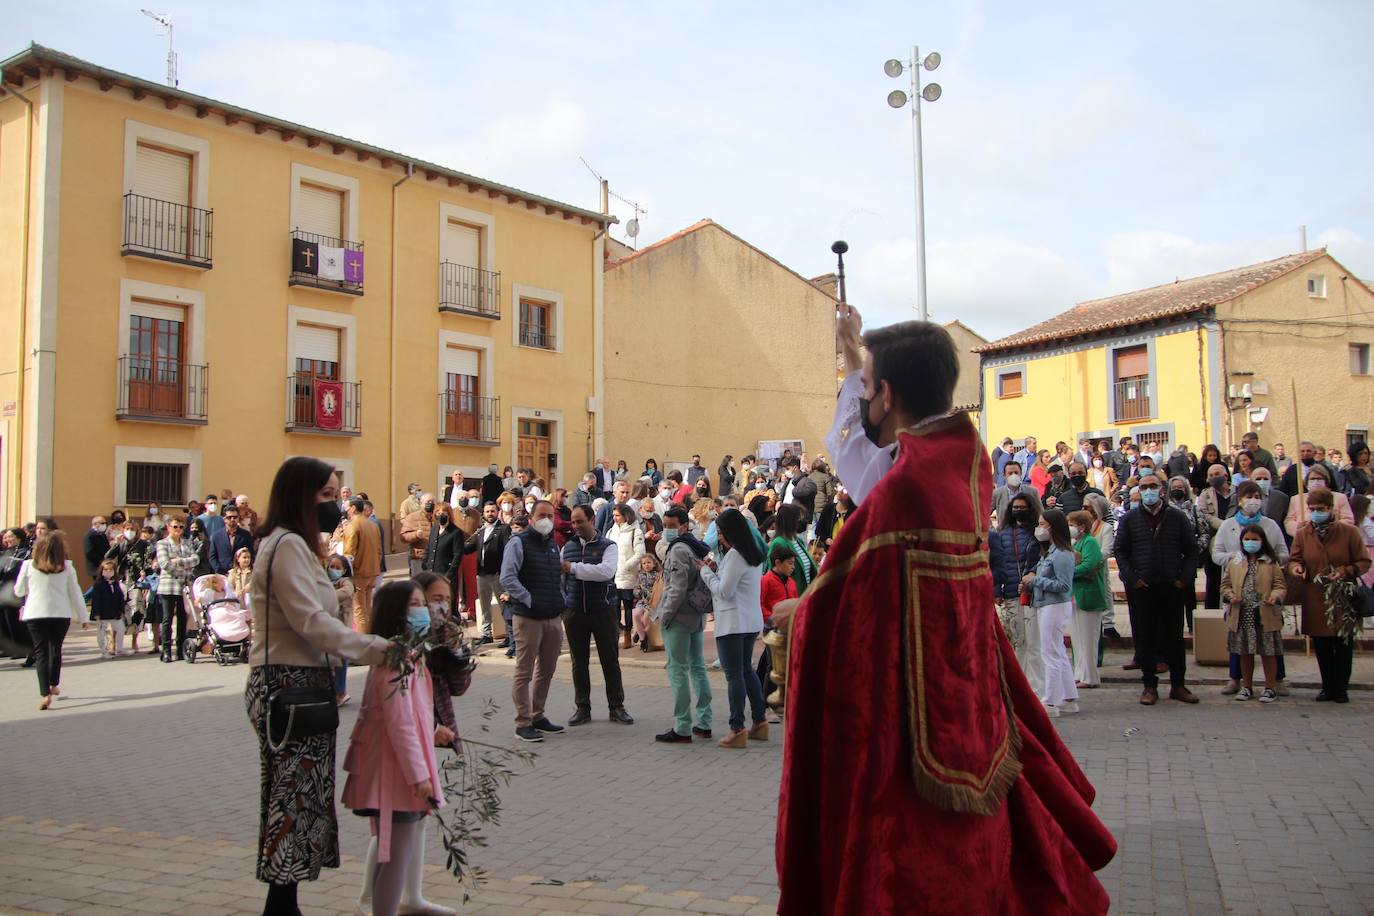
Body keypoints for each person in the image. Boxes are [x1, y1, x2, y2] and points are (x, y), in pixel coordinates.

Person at [780, 312, 1115, 914]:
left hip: (909, 702)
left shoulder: (906, 486)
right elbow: (864, 460)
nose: (864, 398)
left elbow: (848, 598)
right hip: (966, 688)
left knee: (915, 857)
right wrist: (855, 354)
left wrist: (801, 608)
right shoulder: (964, 457)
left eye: (872, 386)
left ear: (890, 396)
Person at [245, 457, 391, 915]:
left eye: (336, 495)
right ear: (301, 496)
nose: (336, 505)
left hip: (304, 681)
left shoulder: (300, 547)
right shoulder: (286, 545)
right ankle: (282, 905)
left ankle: (283, 902)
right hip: (288, 684)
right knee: (293, 796)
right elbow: (310, 621)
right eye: (327, 496)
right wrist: (378, 649)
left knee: (299, 795)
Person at [341, 580, 447, 916]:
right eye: (416, 605)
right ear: (396, 615)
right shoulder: (393, 663)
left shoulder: (407, 657)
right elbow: (399, 727)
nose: (425, 611)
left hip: (399, 769)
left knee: (397, 853)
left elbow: (408, 719)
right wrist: (419, 776)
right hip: (394, 774)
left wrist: (432, 733)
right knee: (396, 855)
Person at [1113, 472, 1200, 706]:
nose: (1148, 491)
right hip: (1143, 587)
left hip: (1171, 585)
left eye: (1152, 486)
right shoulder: (1129, 518)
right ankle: (1149, 685)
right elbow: (1120, 551)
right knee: (1145, 637)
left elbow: (1191, 550)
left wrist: (1184, 577)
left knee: (1174, 636)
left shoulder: (1177, 517)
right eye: (1143, 487)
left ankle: (1178, 684)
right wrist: (1132, 578)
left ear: (1162, 489)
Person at [1288, 487, 1370, 703]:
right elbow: (1295, 558)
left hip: (1343, 596)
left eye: (1320, 509)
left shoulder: (1348, 532)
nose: (1316, 513)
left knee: (1343, 644)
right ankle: (1327, 686)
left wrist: (1345, 571)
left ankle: (1341, 687)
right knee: (1322, 646)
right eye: (1312, 509)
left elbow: (1364, 561)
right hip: (1315, 595)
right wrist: (1296, 567)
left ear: (1331, 508)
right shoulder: (1303, 534)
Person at [698, 508, 767, 747]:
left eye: (720, 531)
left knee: (734, 675)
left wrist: (705, 572)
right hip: (748, 621)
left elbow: (724, 591)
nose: (719, 536)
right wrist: (716, 572)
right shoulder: (752, 552)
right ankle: (759, 720)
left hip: (733, 622)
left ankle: (737, 727)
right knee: (746, 670)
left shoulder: (736, 555)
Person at [499, 500, 568, 742]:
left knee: (547, 669)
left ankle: (538, 715)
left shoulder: (551, 544)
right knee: (524, 670)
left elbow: (556, 576)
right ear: (531, 516)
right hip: (528, 617)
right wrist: (528, 599)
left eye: (550, 515)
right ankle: (523, 721)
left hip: (552, 616)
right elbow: (508, 577)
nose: (546, 519)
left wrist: (561, 600)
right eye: (542, 515)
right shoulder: (518, 542)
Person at [560, 504, 633, 726]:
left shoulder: (608, 546)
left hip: (603, 610)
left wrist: (573, 568)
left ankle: (616, 707)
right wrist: (565, 603)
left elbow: (605, 572)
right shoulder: (567, 547)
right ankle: (582, 708)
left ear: (592, 520)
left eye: (580, 521)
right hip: (574, 612)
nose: (576, 526)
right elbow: (560, 579)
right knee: (578, 663)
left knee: (610, 660)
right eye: (573, 522)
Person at [652, 506, 714, 743]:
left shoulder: (678, 550)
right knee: (697, 666)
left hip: (679, 618)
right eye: (665, 525)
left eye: (671, 525)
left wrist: (665, 616)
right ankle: (704, 721)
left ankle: (682, 726)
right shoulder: (694, 546)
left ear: (684, 525)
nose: (667, 529)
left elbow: (676, 589)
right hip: (696, 616)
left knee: (677, 670)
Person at [15, 532, 89, 709]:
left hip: (35, 613)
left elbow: (19, 591)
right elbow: (76, 593)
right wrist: (83, 617)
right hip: (60, 614)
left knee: (41, 653)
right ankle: (54, 684)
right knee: (56, 648)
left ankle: (44, 694)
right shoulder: (67, 567)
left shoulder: (28, 565)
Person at [1222, 526, 1286, 703]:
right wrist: (1230, 596)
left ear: (1262, 541)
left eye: (1254, 539)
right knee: (1244, 652)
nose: (1250, 543)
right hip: (1242, 613)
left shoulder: (1271, 562)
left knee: (1268, 652)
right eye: (1247, 540)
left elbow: (1280, 585)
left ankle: (1270, 687)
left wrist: (1275, 596)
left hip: (1265, 612)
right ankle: (1247, 686)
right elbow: (1225, 584)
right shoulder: (1236, 561)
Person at [1023, 509, 1079, 717]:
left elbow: (1064, 585)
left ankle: (1051, 701)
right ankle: (1068, 697)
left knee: (1050, 652)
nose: (1040, 528)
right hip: (1045, 603)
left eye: (1043, 524)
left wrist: (1035, 580)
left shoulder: (1062, 554)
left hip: (1054, 605)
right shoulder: (1050, 552)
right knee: (1057, 651)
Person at [990, 493, 1044, 692]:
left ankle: (1039, 688)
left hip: (1035, 594)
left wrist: (1032, 574)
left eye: (1023, 507)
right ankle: (1021, 689)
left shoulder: (1038, 533)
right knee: (1018, 643)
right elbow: (997, 564)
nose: (1019, 510)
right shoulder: (1002, 534)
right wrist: (998, 590)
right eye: (1016, 507)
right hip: (1012, 594)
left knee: (1035, 644)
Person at [1068, 510, 1107, 689]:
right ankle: (1079, 673)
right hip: (1075, 595)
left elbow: (1088, 565)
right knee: (1077, 640)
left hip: (1088, 595)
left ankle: (1090, 676)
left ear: (1082, 527)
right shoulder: (1075, 543)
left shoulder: (1089, 542)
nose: (1070, 528)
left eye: (1072, 524)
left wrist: (1067, 572)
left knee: (1088, 639)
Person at [1167, 475, 1211, 634]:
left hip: (1188, 559)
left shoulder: (1194, 509)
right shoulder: (1165, 509)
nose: (1177, 489)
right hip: (1170, 559)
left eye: (1180, 487)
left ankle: (1193, 626)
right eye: (1174, 487)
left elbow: (1204, 532)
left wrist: (1194, 549)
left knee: (1189, 595)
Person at [154, 517, 198, 662]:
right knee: (167, 619)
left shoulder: (186, 543)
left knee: (182, 618)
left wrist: (179, 561)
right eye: (175, 526)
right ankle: (166, 650)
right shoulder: (162, 543)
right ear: (168, 528)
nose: (178, 529)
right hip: (168, 586)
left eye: (180, 527)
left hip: (183, 587)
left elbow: (196, 559)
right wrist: (185, 570)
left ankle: (180, 650)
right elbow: (165, 564)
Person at [1197, 462, 1235, 610]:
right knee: (1213, 580)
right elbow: (1204, 515)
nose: (1214, 478)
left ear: (1225, 476)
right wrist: (1223, 525)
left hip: (1235, 538)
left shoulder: (1237, 492)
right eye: (1211, 475)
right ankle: (1211, 612)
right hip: (1214, 540)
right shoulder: (1205, 495)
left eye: (1217, 474)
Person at [609, 503, 646, 650]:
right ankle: (616, 633)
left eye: (617, 515)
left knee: (629, 606)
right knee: (615, 607)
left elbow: (640, 553)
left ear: (626, 516)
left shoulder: (635, 532)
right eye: (614, 515)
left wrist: (625, 566)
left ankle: (628, 633)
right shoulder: (611, 531)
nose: (615, 518)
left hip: (628, 575)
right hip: (614, 576)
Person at [344, 497, 382, 632]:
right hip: (372, 571)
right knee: (367, 607)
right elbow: (379, 551)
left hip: (359, 573)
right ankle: (370, 634)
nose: (346, 511)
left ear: (353, 509)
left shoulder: (353, 525)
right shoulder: (372, 524)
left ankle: (363, 641)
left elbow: (349, 552)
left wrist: (345, 572)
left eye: (347, 508)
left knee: (359, 611)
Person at [1284, 464, 1354, 536]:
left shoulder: (1340, 498)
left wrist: (1329, 529)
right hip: (1305, 539)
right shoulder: (1297, 499)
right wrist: (1298, 528)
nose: (1316, 482)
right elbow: (1289, 521)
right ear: (1307, 482)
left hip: (1333, 538)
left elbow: (1348, 520)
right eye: (1312, 479)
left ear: (1326, 481)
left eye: (1319, 479)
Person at [326, 554, 356, 705]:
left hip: (342, 629)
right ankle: (332, 691)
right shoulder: (324, 582)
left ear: (344, 570)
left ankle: (340, 692)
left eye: (338, 568)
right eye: (332, 567)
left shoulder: (345, 582)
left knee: (341, 661)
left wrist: (327, 595)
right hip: (328, 629)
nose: (334, 570)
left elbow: (347, 592)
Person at [90, 559, 127, 658]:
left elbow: (120, 597)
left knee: (121, 629)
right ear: (101, 571)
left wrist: (121, 610)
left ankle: (120, 649)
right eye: (105, 569)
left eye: (111, 569)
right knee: (102, 632)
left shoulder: (115, 583)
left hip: (115, 612)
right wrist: (96, 613)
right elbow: (96, 600)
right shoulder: (98, 584)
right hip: (102, 613)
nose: (108, 571)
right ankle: (103, 651)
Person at [990, 460, 1044, 525]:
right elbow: (986, 513)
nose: (1013, 475)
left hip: (1027, 531)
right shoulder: (997, 493)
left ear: (1020, 473)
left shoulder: (1032, 492)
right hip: (1005, 532)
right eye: (1010, 473)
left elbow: (1040, 513)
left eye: (1016, 472)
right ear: (1004, 475)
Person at [210, 504, 254, 575]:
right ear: (224, 519)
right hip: (222, 574)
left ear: (238, 518)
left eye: (235, 517)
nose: (232, 519)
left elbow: (251, 553)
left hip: (240, 574)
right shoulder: (216, 536)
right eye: (229, 517)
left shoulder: (246, 535)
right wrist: (219, 570)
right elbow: (212, 557)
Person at [81, 516, 110, 584]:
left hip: (105, 566)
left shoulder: (102, 535)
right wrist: (102, 562)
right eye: (103, 523)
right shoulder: (89, 535)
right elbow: (89, 553)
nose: (105, 525)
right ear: (96, 524)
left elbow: (107, 549)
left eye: (105, 523)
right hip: (96, 568)